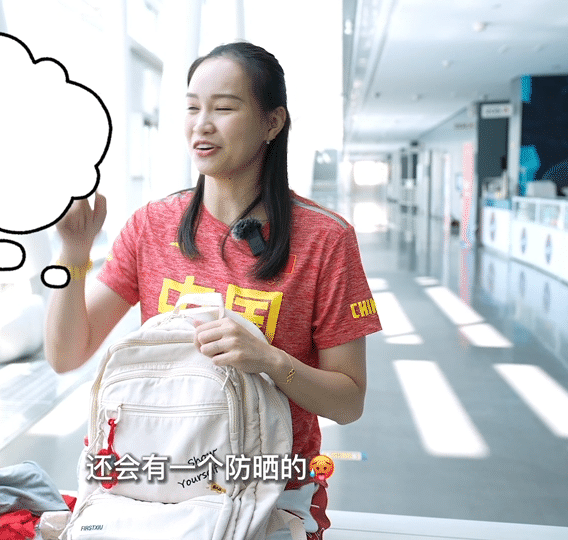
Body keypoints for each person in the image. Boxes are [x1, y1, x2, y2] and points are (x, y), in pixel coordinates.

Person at [45, 41, 382, 540]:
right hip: (155, 484)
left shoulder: (325, 239)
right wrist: (73, 252)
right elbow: (66, 354)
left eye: (223, 108)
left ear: (272, 123)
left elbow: (348, 402)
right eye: (191, 107)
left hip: (270, 494)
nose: (201, 124)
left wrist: (270, 361)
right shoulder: (152, 225)